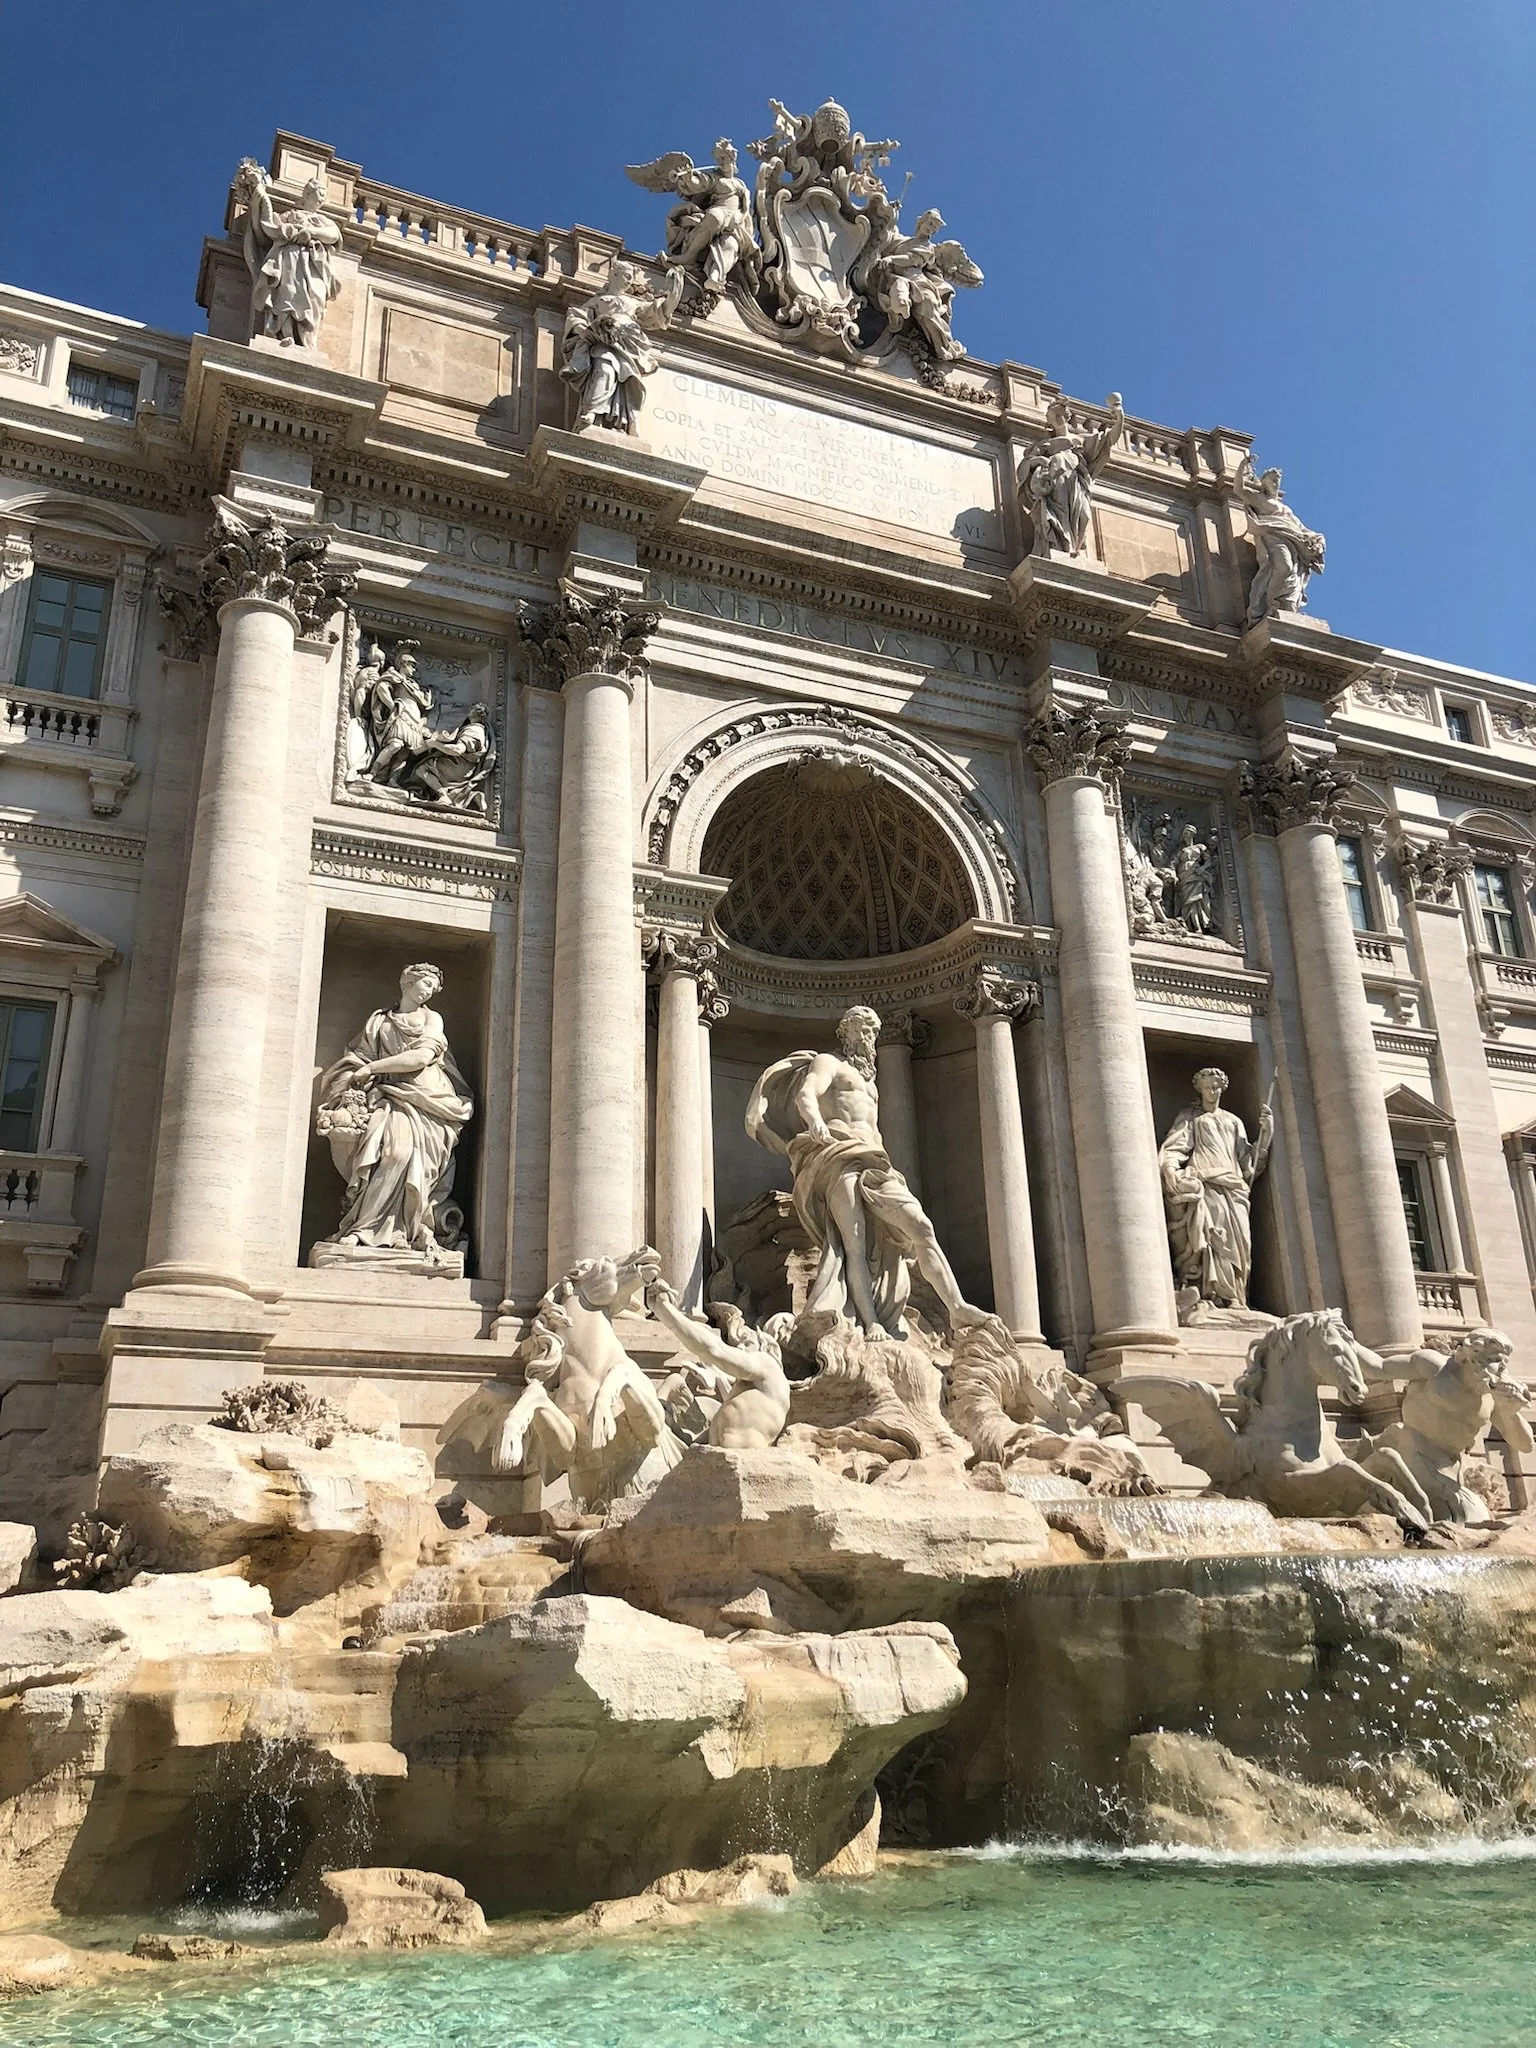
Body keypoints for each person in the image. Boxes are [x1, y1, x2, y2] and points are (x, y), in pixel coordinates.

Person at [746, 1004, 981, 1338]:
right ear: (845, 1034)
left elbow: (874, 1128)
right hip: (837, 1156)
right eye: (859, 1030)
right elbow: (806, 1094)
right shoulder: (830, 1063)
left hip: (875, 1162)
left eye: (871, 1031)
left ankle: (956, 1308)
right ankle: (870, 1323)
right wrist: (814, 1122)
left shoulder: (871, 1084)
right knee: (853, 1243)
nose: (866, 1037)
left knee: (921, 1227)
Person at [313, 963, 473, 1264]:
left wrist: (373, 1068)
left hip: (428, 1100)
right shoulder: (378, 1021)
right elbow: (357, 1058)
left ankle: (405, 1231)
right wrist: (356, 1074)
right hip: (387, 1097)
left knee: (403, 1156)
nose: (430, 991)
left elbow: (422, 1057)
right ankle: (364, 1229)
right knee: (386, 1154)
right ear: (407, 983)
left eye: (433, 987)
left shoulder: (431, 1018)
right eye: (425, 983)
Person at [1158, 1068, 1273, 1309]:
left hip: (1234, 1188)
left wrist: (1266, 1134)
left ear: (1223, 1088)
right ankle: (1212, 1294)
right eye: (1208, 1086)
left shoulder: (1233, 1121)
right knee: (1213, 1239)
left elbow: (1249, 1164)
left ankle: (1236, 1296)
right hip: (1207, 1184)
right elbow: (1176, 1147)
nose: (1213, 1090)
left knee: (1239, 1244)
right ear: (1199, 1089)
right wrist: (1169, 1167)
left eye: (1217, 1086)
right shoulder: (1190, 1117)